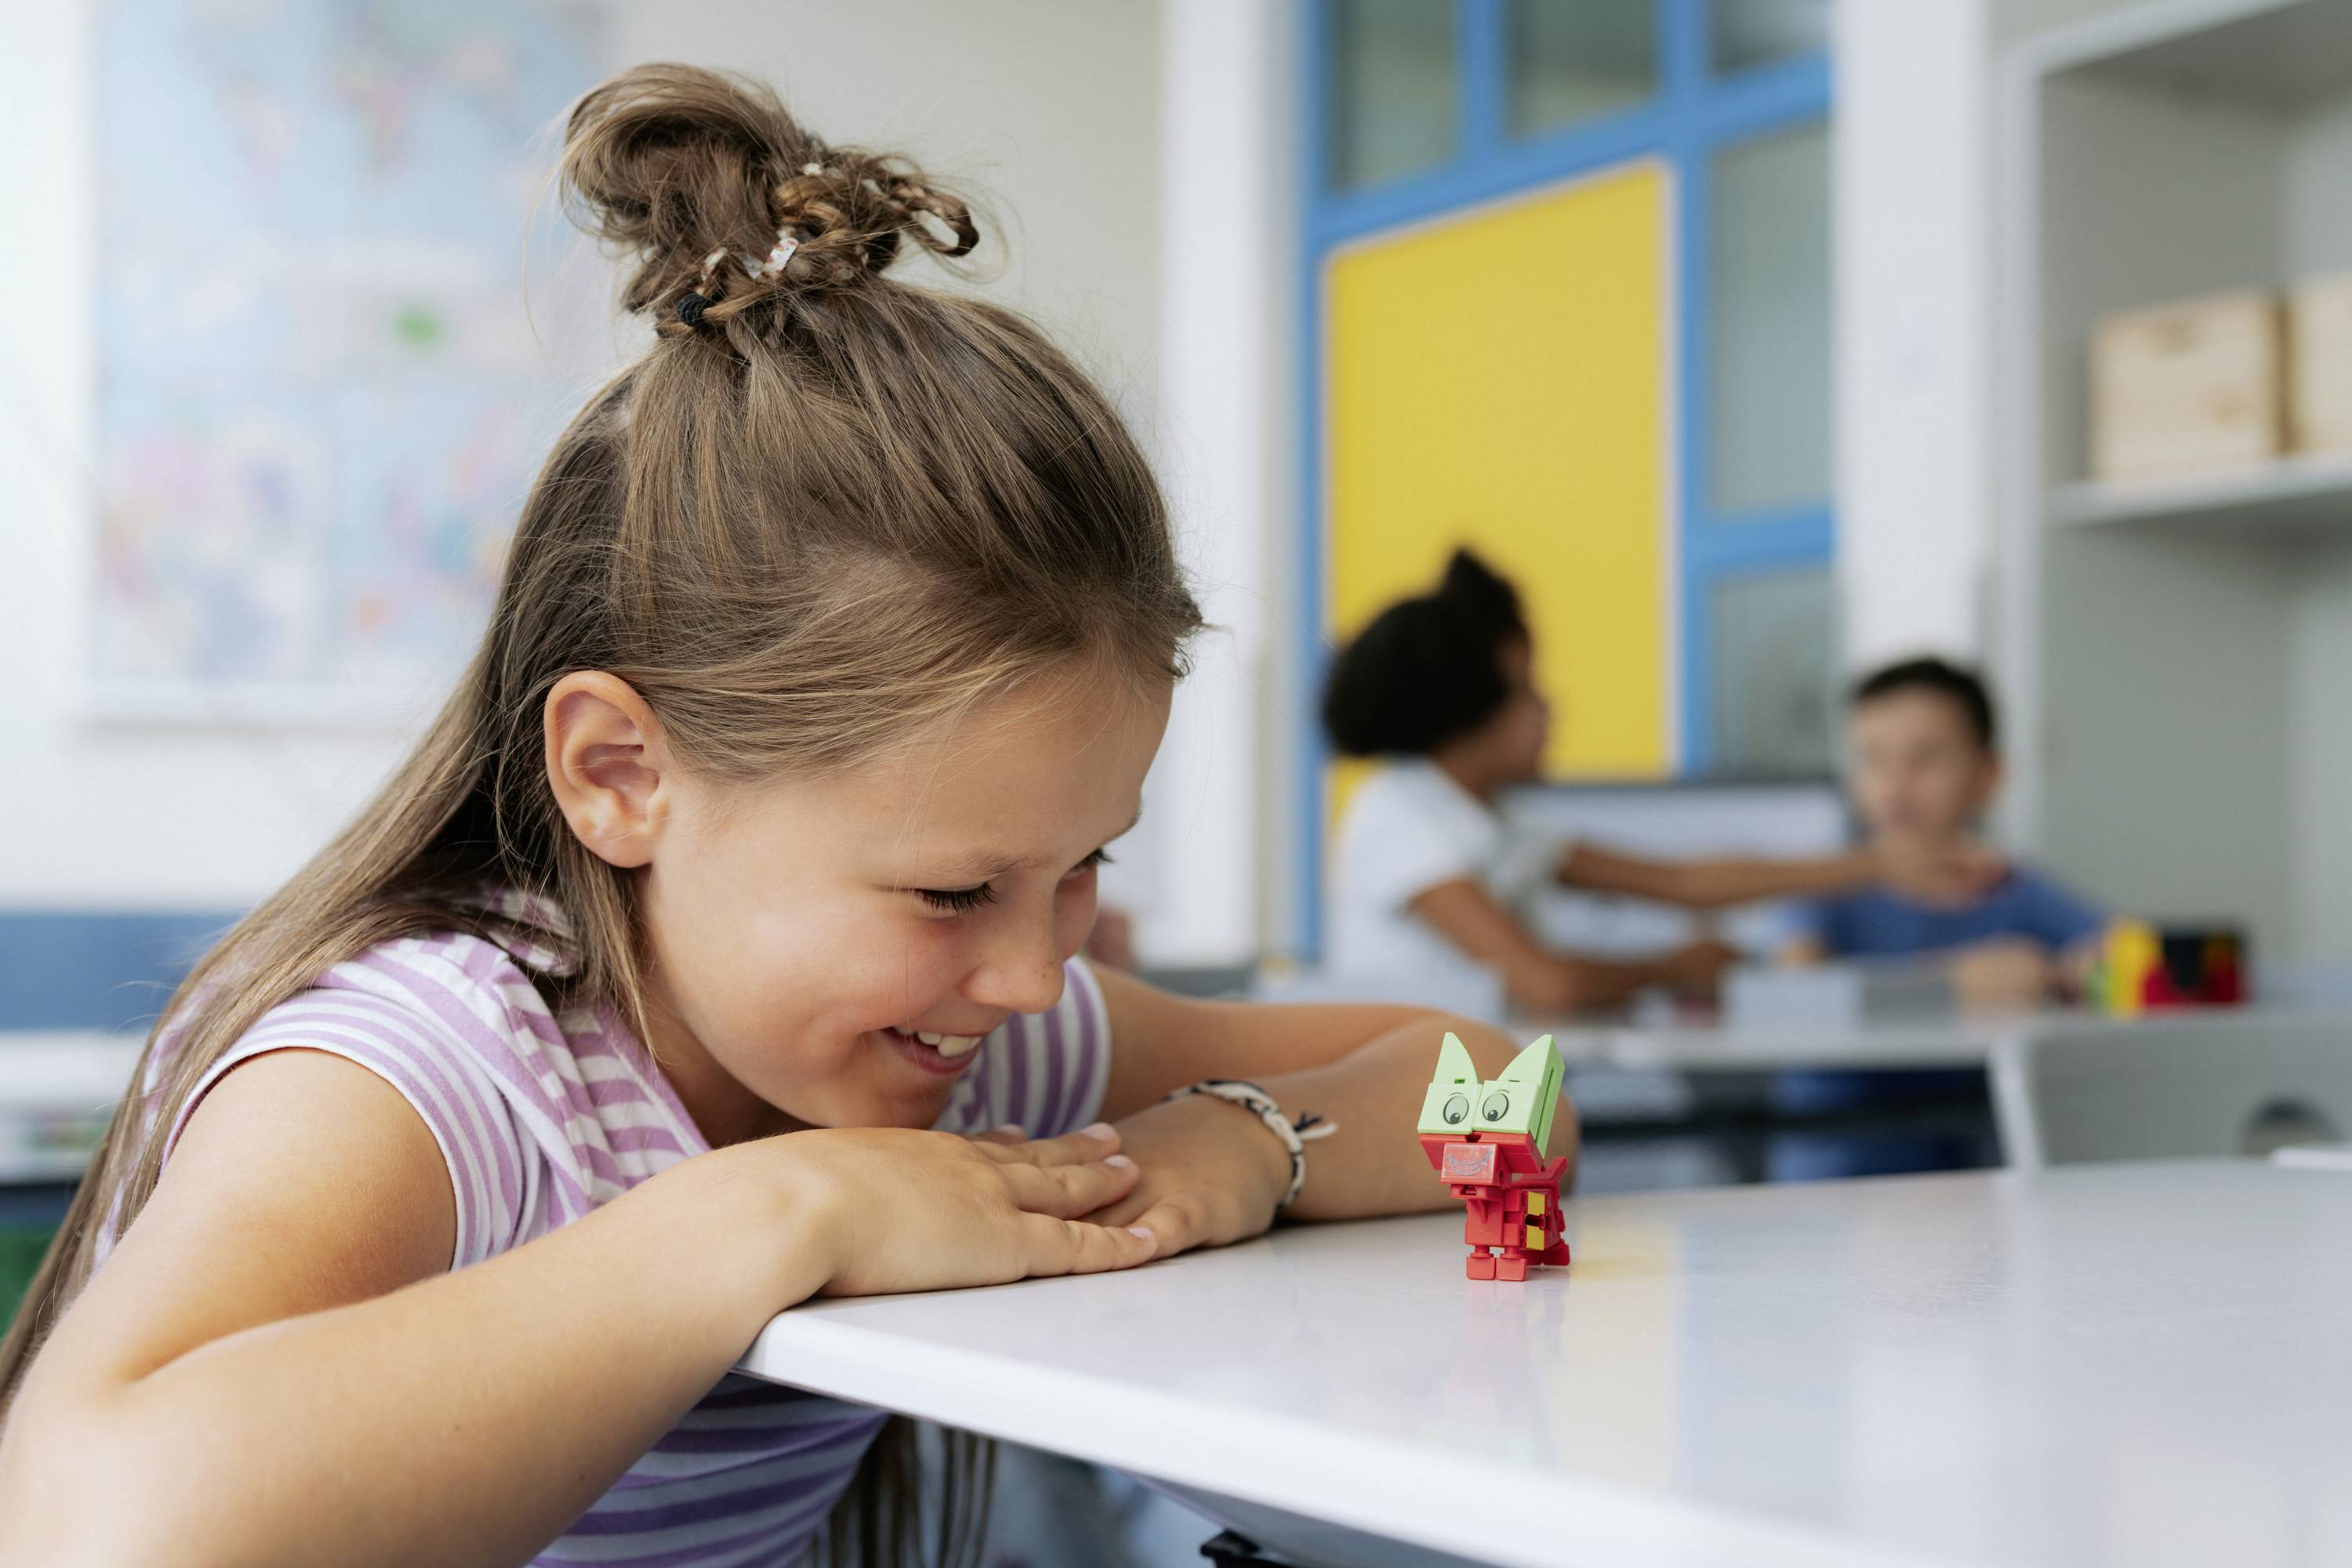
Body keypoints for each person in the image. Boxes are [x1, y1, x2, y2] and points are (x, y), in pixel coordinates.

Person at [0, 66, 1550, 1568]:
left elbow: (1513, 1094)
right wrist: (771, 1212)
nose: (1030, 971)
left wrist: (1256, 1138)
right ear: (620, 775)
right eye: (951, 894)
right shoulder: (442, 1066)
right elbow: (86, 1524)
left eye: (1084, 869)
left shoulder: (987, 1042)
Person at [1321, 550, 1997, 1014]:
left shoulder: (1493, 822)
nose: (1549, 708)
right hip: (1425, 1108)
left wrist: (1879, 862)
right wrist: (1675, 968)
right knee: (1510, 1223)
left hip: (1486, 1100)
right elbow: (1545, 984)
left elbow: (1683, 882)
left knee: (1530, 1214)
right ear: (1463, 710)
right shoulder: (1402, 817)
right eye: (1526, 690)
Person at [1781, 656, 2106, 1004]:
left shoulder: (2012, 888)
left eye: (1925, 758)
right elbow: (1795, 988)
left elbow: (2118, 948)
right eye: (1872, 758)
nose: (1894, 785)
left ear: (1987, 775)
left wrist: (2076, 972)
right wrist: (1945, 981)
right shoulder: (1826, 886)